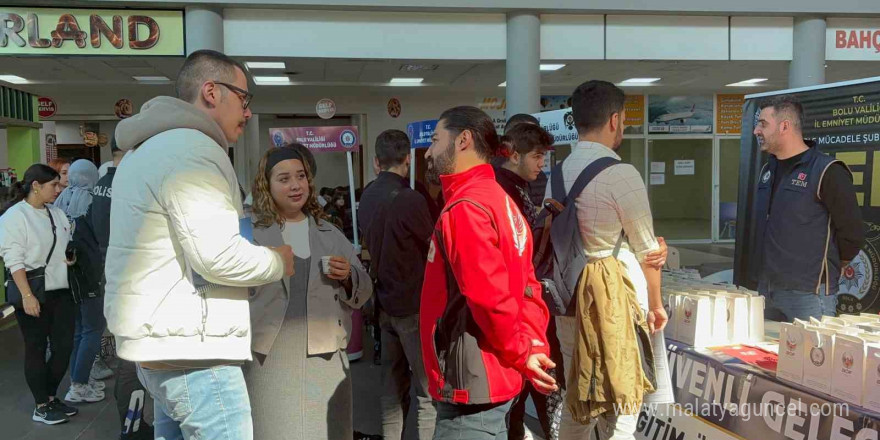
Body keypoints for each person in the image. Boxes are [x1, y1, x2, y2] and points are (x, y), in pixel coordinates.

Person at [104, 49, 294, 440]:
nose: (247, 112)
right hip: (194, 350)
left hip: (162, 343)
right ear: (211, 92)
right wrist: (277, 261)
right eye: (244, 99)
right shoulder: (193, 150)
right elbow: (219, 257)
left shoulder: (145, 149)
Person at [420, 106, 557, 440]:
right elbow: (527, 287)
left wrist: (524, 351)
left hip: (473, 381)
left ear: (463, 139)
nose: (429, 151)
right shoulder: (499, 200)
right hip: (492, 373)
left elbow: (491, 298)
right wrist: (531, 346)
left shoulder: (467, 207)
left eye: (436, 140)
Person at [548, 80, 668, 439]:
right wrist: (657, 304)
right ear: (615, 120)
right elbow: (649, 251)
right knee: (623, 400)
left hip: (568, 301)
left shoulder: (556, 174)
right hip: (615, 303)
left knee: (578, 396)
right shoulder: (621, 174)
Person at [244, 143, 372, 440]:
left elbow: (364, 290)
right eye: (284, 178)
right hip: (268, 357)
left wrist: (348, 277)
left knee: (326, 430)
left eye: (300, 177)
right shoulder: (251, 233)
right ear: (267, 184)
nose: (295, 186)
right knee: (272, 431)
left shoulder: (329, 233)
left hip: (324, 356)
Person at [751, 95, 864, 321]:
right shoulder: (768, 169)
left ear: (784, 126)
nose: (756, 131)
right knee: (768, 356)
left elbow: (852, 234)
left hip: (809, 294)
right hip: (768, 289)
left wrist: (825, 267)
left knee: (812, 356)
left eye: (763, 124)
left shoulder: (827, 171)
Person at [359, 129, 436, 440]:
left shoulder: (366, 196)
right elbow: (434, 248)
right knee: (427, 392)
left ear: (376, 162)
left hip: (383, 303)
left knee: (391, 388)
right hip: (414, 306)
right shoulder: (412, 199)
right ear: (407, 160)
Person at [493, 123, 561, 440]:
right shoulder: (498, 188)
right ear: (514, 153)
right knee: (515, 401)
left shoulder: (517, 185)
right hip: (510, 306)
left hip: (523, 301)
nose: (540, 164)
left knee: (527, 394)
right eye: (536, 156)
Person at [0, 164, 78, 425]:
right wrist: (26, 296)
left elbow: (66, 245)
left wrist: (70, 258)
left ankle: (51, 395)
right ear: (36, 186)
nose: (59, 189)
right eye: (53, 185)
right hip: (32, 292)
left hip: (61, 291)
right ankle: (41, 404)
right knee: (35, 348)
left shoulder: (57, 213)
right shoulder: (14, 216)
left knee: (63, 348)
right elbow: (14, 260)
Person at [53, 159, 108, 405]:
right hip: (89, 275)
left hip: (66, 275)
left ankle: (79, 377)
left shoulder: (59, 201)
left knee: (78, 330)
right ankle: (79, 385)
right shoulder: (91, 202)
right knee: (93, 329)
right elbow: (101, 239)